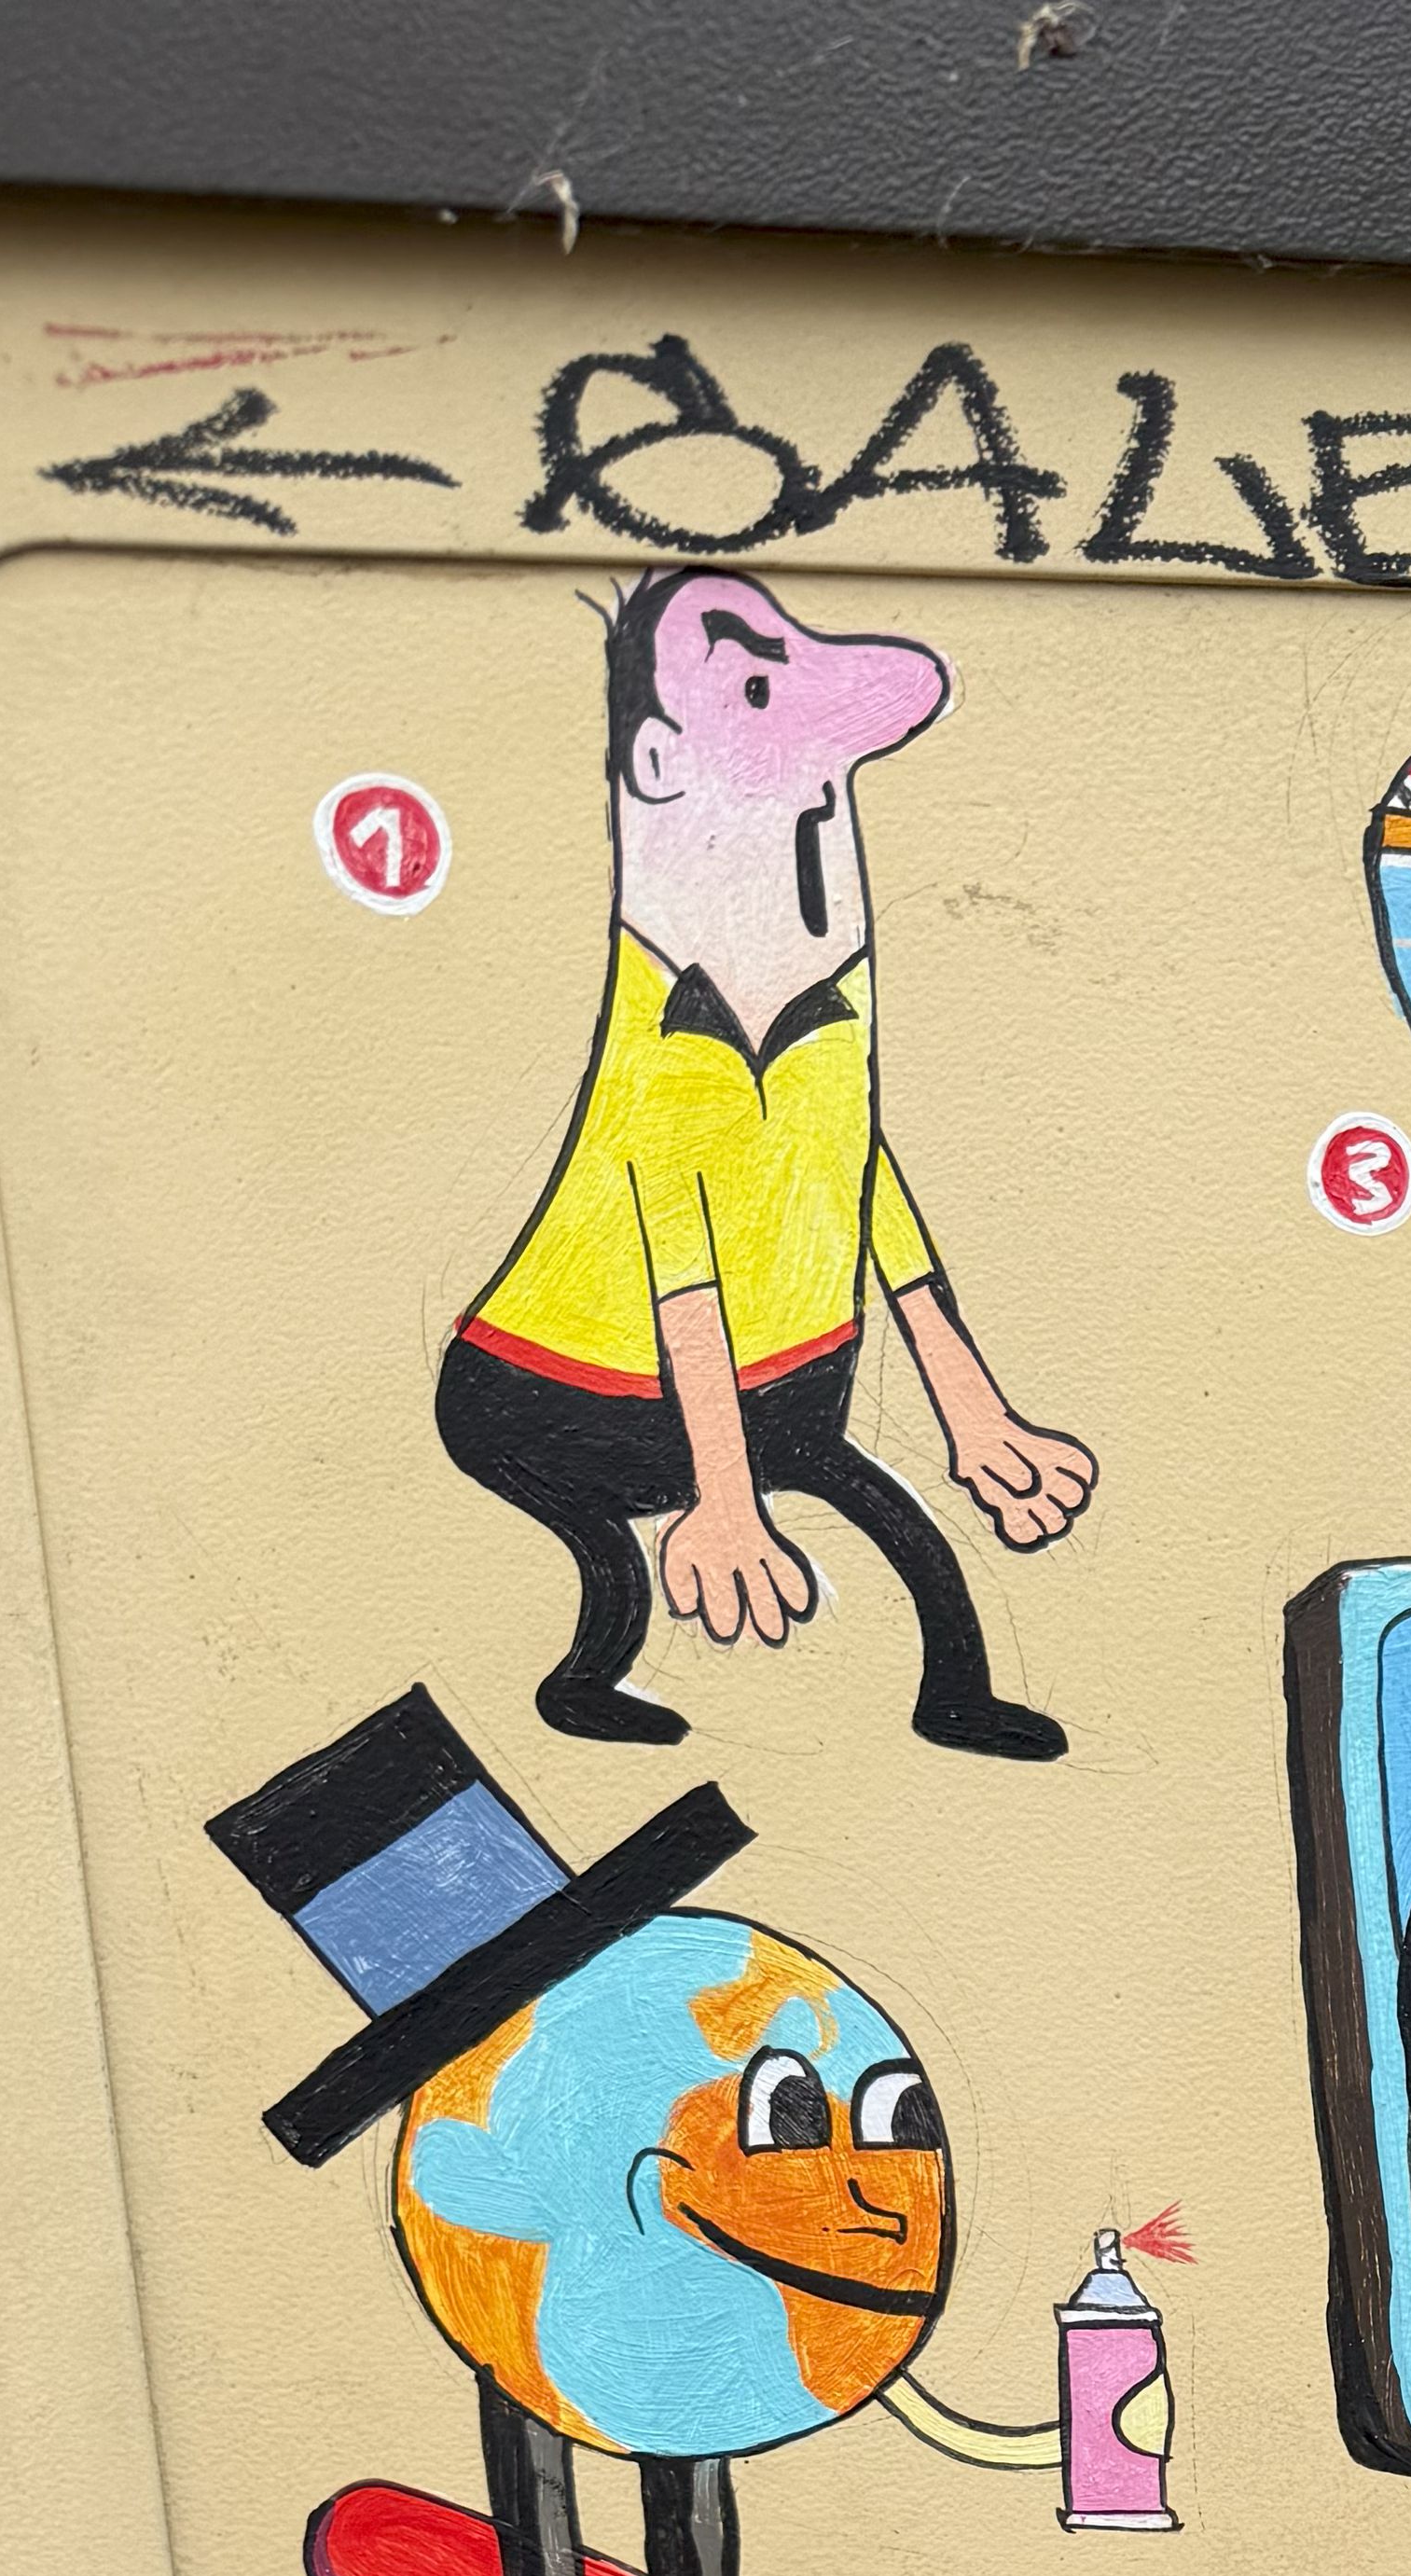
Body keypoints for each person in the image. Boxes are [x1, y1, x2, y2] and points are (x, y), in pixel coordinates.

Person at [437, 569, 1095, 1759]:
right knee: (612, 1555)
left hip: (782, 1374)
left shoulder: (833, 985)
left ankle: (954, 1696)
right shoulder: (662, 1022)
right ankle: (587, 1677)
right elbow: (676, 1257)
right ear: (658, 762)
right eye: (751, 683)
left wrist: (975, 1410)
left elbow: (858, 1173)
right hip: (550, 1387)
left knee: (901, 1527)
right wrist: (723, 1497)